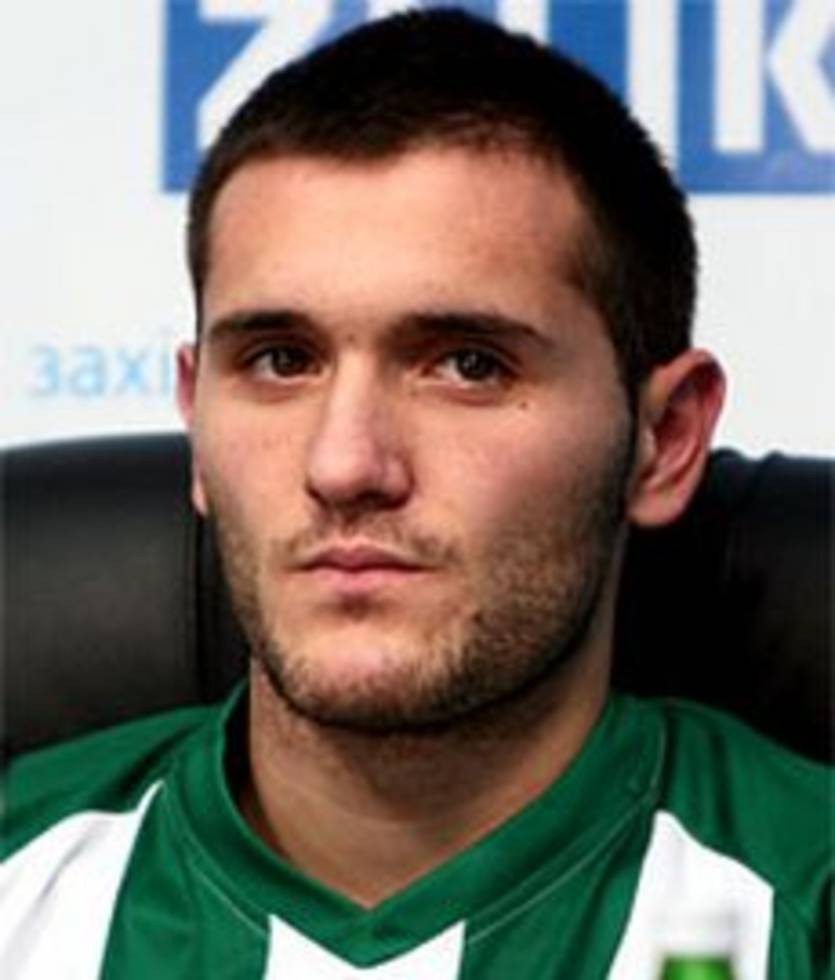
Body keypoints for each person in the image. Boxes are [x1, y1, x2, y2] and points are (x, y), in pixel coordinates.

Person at [2, 9, 830, 979]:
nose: (344, 464)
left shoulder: (807, 908)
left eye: (468, 365)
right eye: (279, 360)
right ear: (196, 420)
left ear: (666, 440)